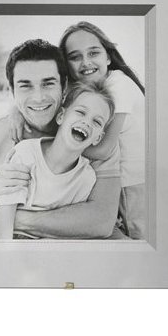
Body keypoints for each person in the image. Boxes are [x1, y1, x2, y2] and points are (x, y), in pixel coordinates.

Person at [0, 39, 122, 239]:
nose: (38, 98)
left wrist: (11, 218)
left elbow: (102, 222)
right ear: (12, 91)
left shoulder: (94, 138)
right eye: (25, 86)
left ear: (64, 87)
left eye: (48, 83)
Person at [59, 21, 146, 239]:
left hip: (134, 185)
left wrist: (56, 145)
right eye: (75, 57)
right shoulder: (89, 90)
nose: (86, 62)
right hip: (117, 184)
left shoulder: (118, 85)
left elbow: (103, 150)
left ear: (108, 56)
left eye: (93, 53)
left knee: (139, 243)